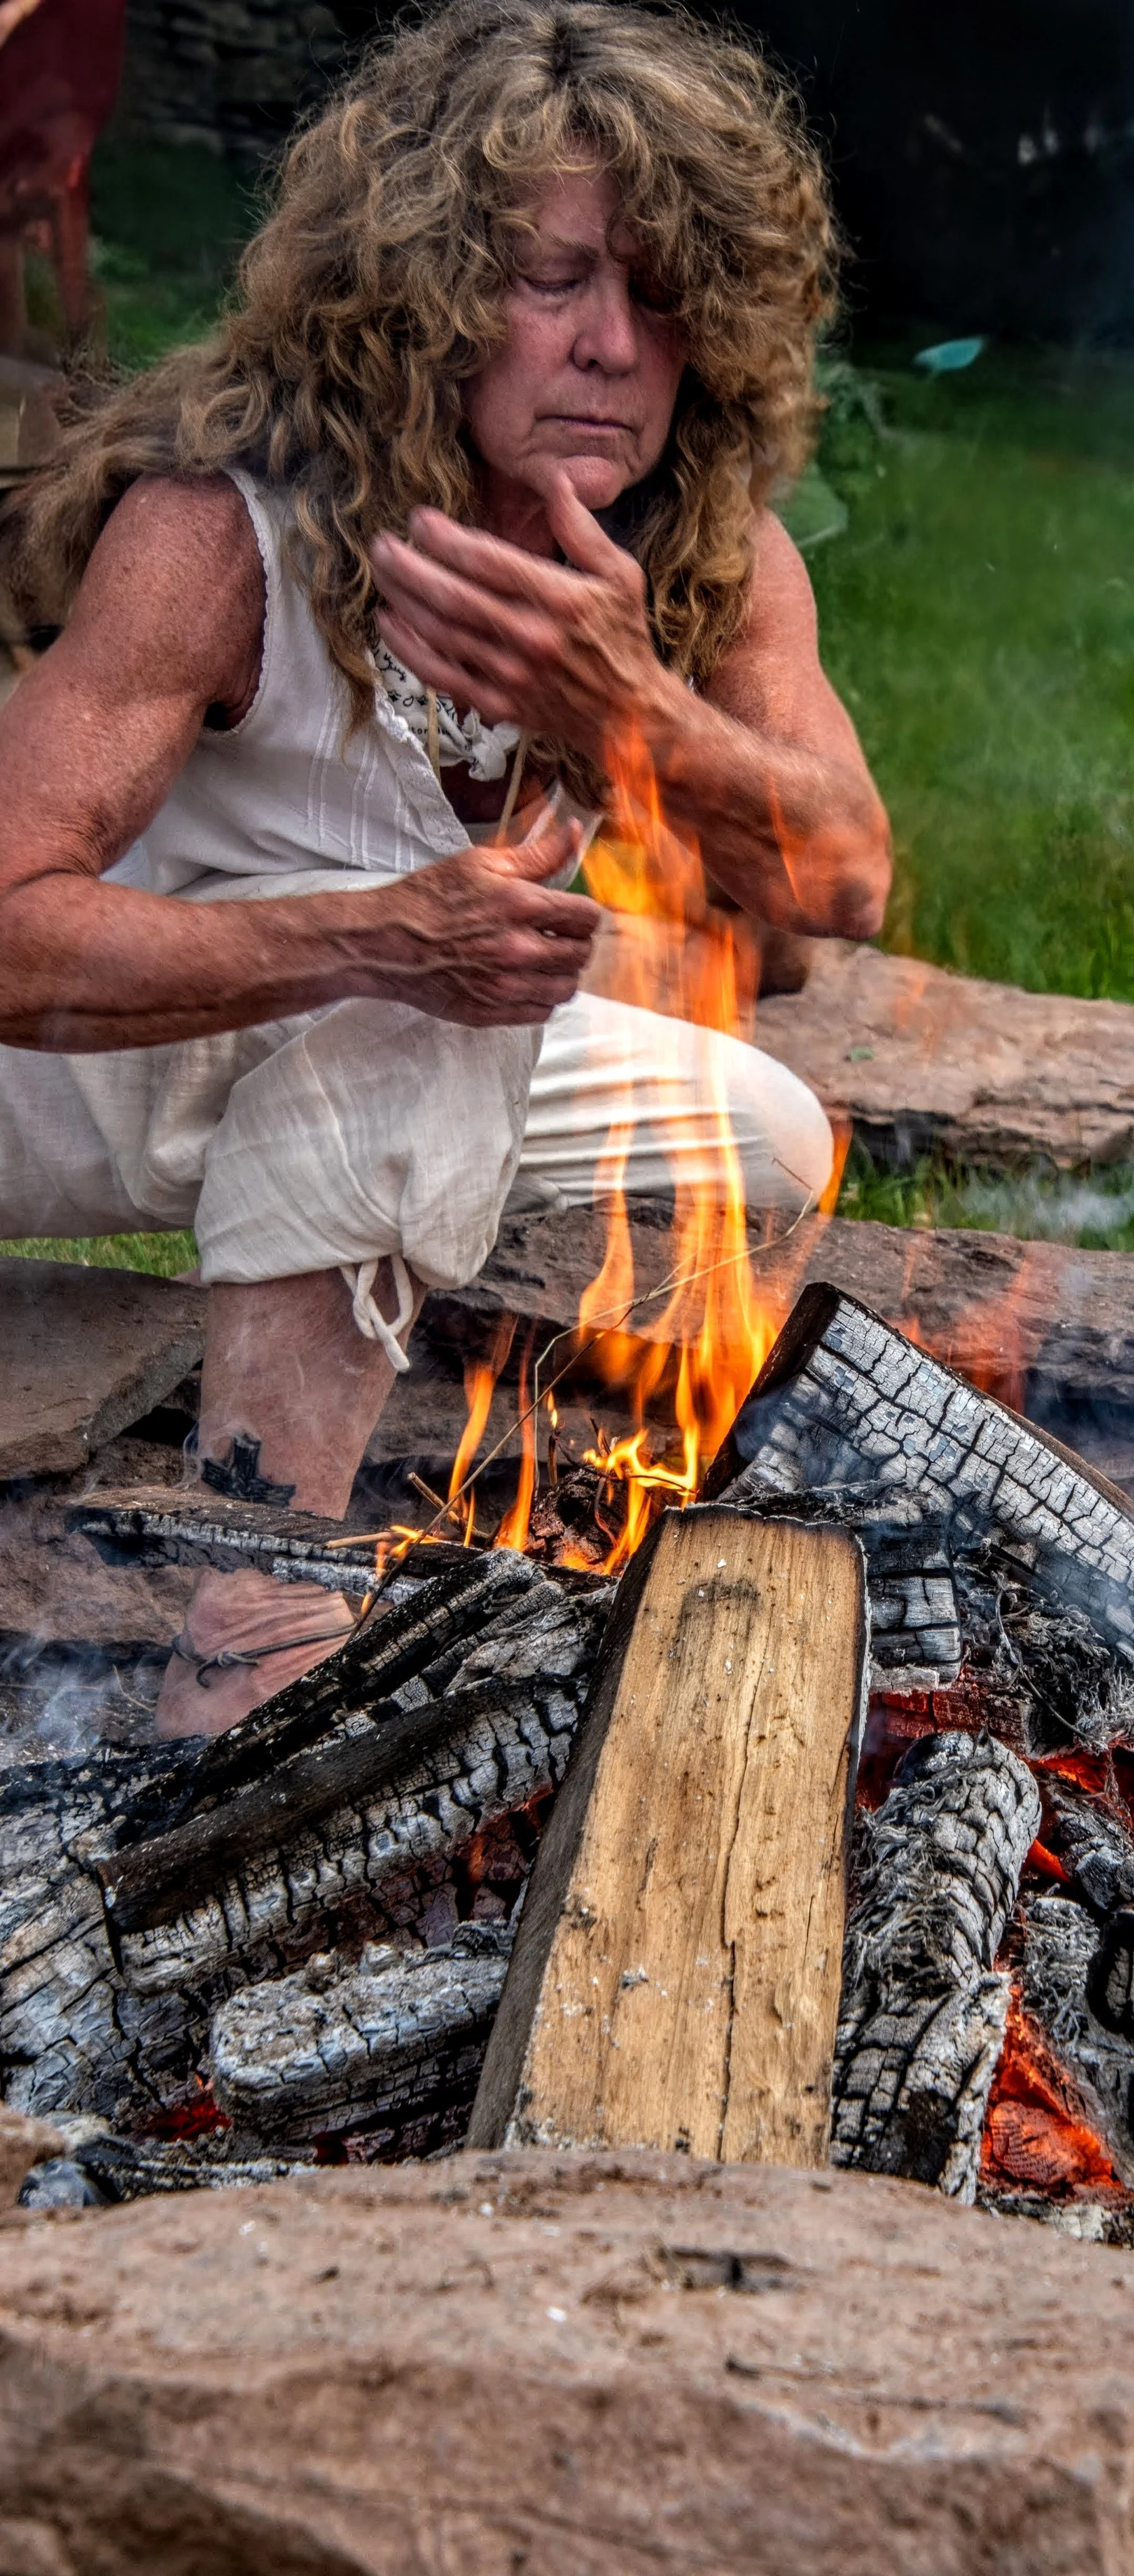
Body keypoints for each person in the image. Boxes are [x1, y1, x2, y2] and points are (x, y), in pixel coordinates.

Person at [0, 0, 891, 1734]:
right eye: (554, 279)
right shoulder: (220, 528)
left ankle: (508, 1466)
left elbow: (842, 884)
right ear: (416, 293)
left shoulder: (713, 550)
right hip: (68, 1078)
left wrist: (631, 708)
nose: (614, 345)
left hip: (333, 1054)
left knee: (767, 1138)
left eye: (661, 290)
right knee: (442, 1022)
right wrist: (379, 939)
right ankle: (241, 1649)